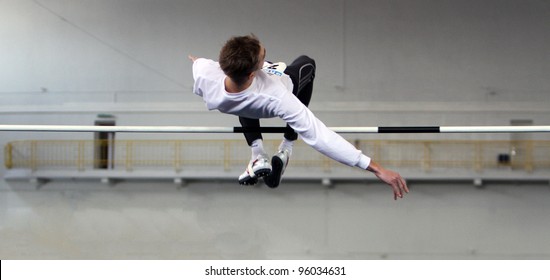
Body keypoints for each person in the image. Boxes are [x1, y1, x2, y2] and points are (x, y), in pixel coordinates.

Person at [189, 34, 409, 200]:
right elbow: (321, 137)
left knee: (243, 106)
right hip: (281, 88)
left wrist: (197, 61)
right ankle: (286, 149)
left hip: (242, 104)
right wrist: (377, 168)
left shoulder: (205, 74)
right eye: (262, 56)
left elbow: (199, 63)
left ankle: (258, 155)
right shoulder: (278, 97)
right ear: (252, 73)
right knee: (307, 63)